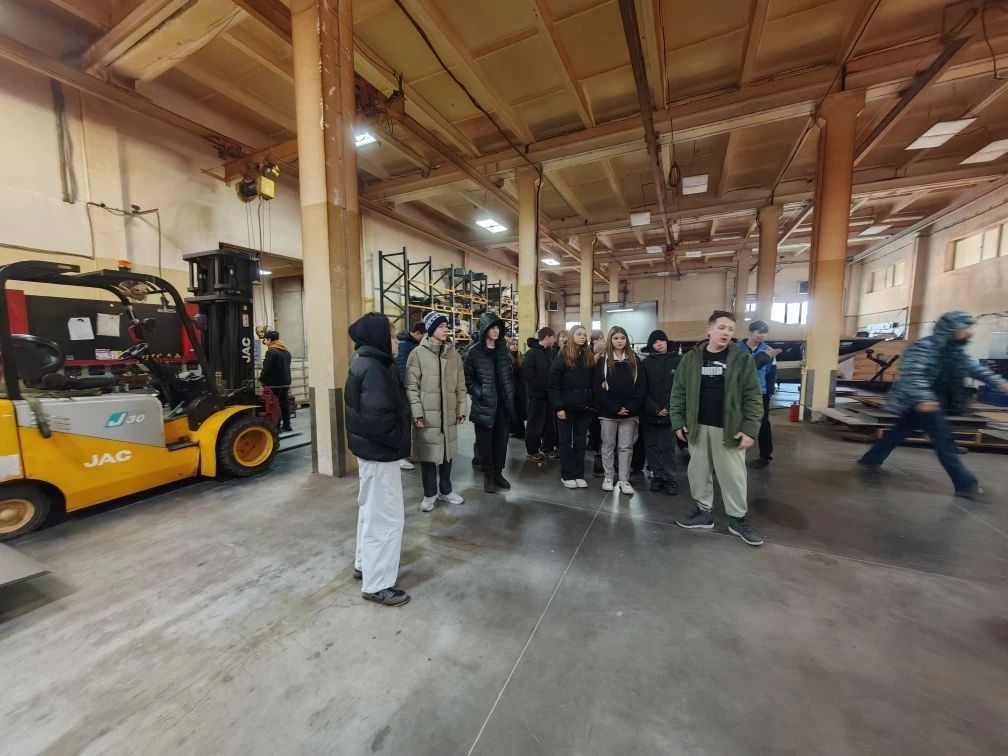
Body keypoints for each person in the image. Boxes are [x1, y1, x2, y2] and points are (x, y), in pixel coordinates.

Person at [857, 311, 1008, 499]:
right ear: (951, 329)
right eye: (965, 328)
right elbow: (913, 374)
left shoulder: (955, 351)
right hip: (920, 400)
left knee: (900, 431)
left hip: (933, 401)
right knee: (944, 440)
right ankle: (966, 485)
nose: (970, 332)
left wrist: (1000, 383)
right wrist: (924, 398)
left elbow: (975, 369)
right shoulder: (924, 347)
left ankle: (871, 459)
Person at [670, 310, 764, 546]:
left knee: (733, 475)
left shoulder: (742, 359)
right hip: (697, 427)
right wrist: (678, 421)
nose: (726, 333)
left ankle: (737, 519)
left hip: (729, 428)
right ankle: (704, 513)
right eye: (721, 327)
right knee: (699, 472)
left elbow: (753, 396)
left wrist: (750, 429)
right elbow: (678, 392)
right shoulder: (691, 359)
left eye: (730, 329)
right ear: (709, 329)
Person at [345, 312, 412, 607]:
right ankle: (378, 584)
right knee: (386, 519)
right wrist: (399, 440)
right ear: (379, 338)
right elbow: (378, 418)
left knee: (370, 513)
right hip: (380, 453)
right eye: (392, 336)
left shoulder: (368, 361)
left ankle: (365, 565)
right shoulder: (374, 368)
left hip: (372, 453)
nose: (397, 342)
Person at [405, 312, 467, 513]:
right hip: (427, 416)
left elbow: (461, 385)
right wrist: (417, 413)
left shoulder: (453, 354)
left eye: (446, 326)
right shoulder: (417, 354)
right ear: (431, 329)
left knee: (447, 454)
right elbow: (411, 386)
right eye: (441, 326)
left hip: (448, 414)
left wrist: (461, 409)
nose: (445, 329)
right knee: (429, 455)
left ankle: (446, 491)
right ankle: (429, 494)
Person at [464, 312, 516, 493]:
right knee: (485, 443)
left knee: (501, 441)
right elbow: (467, 379)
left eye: (498, 328)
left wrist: (510, 394)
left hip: (502, 404)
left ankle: (498, 473)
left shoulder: (502, 350)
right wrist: (480, 393)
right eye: (492, 327)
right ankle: (488, 476)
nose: (496, 331)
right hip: (484, 405)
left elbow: (508, 374)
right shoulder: (474, 352)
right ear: (485, 329)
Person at [594, 326, 647, 495]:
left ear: (627, 340)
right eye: (616, 338)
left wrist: (629, 407)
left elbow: (641, 387)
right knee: (608, 446)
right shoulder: (603, 361)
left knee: (626, 447)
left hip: (630, 414)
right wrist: (615, 408)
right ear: (610, 340)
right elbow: (598, 388)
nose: (619, 341)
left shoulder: (634, 360)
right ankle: (608, 477)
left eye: (622, 338)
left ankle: (624, 479)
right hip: (608, 413)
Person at [549, 324, 596, 488]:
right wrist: (558, 407)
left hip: (585, 408)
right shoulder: (562, 356)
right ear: (571, 336)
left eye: (584, 334)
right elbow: (553, 385)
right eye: (579, 334)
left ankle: (579, 474)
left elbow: (594, 381)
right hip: (566, 408)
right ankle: (567, 474)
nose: (582, 337)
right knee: (565, 442)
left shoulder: (589, 356)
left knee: (580, 442)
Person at [640, 329, 680, 495]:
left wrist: (669, 408)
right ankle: (656, 475)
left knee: (668, 447)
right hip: (650, 413)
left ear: (667, 342)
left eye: (662, 341)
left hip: (670, 413)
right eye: (655, 342)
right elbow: (642, 389)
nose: (659, 344)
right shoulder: (646, 363)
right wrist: (655, 409)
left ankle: (670, 478)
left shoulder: (678, 361)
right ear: (651, 345)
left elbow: (680, 388)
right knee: (651, 446)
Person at [739, 320, 783, 469]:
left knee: (763, 423)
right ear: (751, 332)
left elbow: (772, 372)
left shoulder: (769, 350)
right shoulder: (736, 348)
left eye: (765, 333)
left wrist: (769, 390)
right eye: (759, 332)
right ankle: (733, 454)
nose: (763, 335)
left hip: (760, 392)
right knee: (736, 421)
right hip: (739, 391)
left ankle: (765, 456)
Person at [523, 327, 558, 462]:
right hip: (536, 396)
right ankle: (532, 450)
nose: (554, 341)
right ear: (547, 337)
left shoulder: (553, 352)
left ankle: (548, 448)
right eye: (553, 338)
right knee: (535, 425)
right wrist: (539, 388)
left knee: (550, 425)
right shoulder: (531, 353)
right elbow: (528, 375)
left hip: (550, 396)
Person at [394, 321, 425, 470]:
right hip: (404, 391)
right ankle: (401, 457)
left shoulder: (410, 344)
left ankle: (408, 453)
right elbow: (403, 372)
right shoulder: (406, 346)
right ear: (418, 333)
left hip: (407, 390)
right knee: (404, 423)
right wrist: (408, 391)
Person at [259, 330, 293, 432]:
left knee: (274, 405)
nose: (265, 342)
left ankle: (276, 427)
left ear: (269, 340)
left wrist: (261, 379)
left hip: (274, 384)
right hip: (285, 382)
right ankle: (287, 425)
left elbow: (267, 368)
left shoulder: (271, 351)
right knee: (284, 404)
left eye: (265, 340)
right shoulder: (286, 351)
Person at [589, 329, 606, 477]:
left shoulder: (609, 353)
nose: (600, 341)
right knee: (596, 430)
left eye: (602, 338)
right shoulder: (588, 354)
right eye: (597, 339)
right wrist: (597, 354)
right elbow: (586, 370)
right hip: (592, 398)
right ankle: (598, 456)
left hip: (607, 397)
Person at [506, 337, 527, 439]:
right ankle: (512, 430)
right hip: (511, 388)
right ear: (508, 345)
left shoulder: (520, 356)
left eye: (516, 344)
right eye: (513, 344)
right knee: (513, 410)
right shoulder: (506, 357)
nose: (515, 346)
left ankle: (519, 431)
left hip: (520, 388)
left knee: (519, 410)